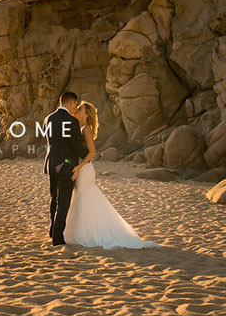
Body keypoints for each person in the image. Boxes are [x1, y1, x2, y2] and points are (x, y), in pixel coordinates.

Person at [63, 100, 157, 249]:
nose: (77, 110)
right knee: (84, 200)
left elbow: (92, 152)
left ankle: (87, 234)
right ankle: (81, 232)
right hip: (83, 169)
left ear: (86, 115)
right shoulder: (79, 128)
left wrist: (79, 167)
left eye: (80, 109)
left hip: (85, 169)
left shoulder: (85, 129)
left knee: (84, 199)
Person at [43, 91, 88, 246]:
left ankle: (52, 230)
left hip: (51, 164)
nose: (75, 108)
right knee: (63, 203)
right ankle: (57, 238)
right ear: (70, 103)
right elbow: (76, 146)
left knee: (53, 199)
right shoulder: (71, 121)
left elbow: (51, 142)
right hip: (66, 166)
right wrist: (88, 153)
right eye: (74, 104)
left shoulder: (48, 118)